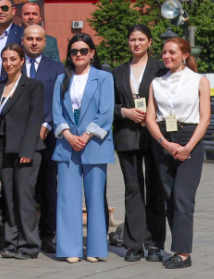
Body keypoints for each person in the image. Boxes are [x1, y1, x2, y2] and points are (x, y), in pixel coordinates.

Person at [145, 36, 210, 270]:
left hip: (189, 139)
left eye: (172, 52)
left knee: (183, 197)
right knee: (170, 198)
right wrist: (165, 143)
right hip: (164, 141)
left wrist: (188, 147)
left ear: (184, 55)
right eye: (164, 52)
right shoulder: (157, 83)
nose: (166, 56)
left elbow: (205, 118)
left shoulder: (199, 81)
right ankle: (178, 248)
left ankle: (183, 253)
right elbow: (151, 118)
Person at [51, 33, 114, 263]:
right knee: (67, 197)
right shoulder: (61, 79)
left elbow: (106, 112)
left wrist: (86, 135)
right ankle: (70, 248)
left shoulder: (104, 78)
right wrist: (68, 134)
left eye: (83, 50)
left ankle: (96, 248)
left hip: (94, 144)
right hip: (67, 145)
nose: (78, 55)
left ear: (92, 53)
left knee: (95, 197)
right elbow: (57, 111)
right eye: (74, 51)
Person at [114, 24, 165, 262]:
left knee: (155, 189)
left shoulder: (161, 68)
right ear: (128, 42)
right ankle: (133, 244)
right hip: (127, 137)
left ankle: (154, 244)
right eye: (133, 39)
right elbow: (108, 105)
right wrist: (124, 111)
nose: (136, 43)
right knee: (133, 190)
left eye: (141, 39)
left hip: (154, 136)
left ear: (150, 42)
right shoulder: (118, 71)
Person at [0, 44, 45, 260]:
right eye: (5, 59)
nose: (8, 63)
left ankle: (29, 245)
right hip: (4, 149)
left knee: (24, 198)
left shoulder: (33, 86)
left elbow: (35, 119)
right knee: (9, 198)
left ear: (22, 61)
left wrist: (27, 150)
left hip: (26, 150)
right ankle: (11, 241)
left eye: (13, 59)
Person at [19, 24, 64, 252]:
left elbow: (59, 101)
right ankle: (22, 233)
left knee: (47, 186)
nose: (34, 42)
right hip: (20, 136)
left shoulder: (57, 69)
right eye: (29, 38)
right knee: (23, 186)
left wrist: (46, 124)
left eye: (38, 39)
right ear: (23, 41)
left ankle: (48, 234)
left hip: (48, 137)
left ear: (45, 42)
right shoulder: (14, 65)